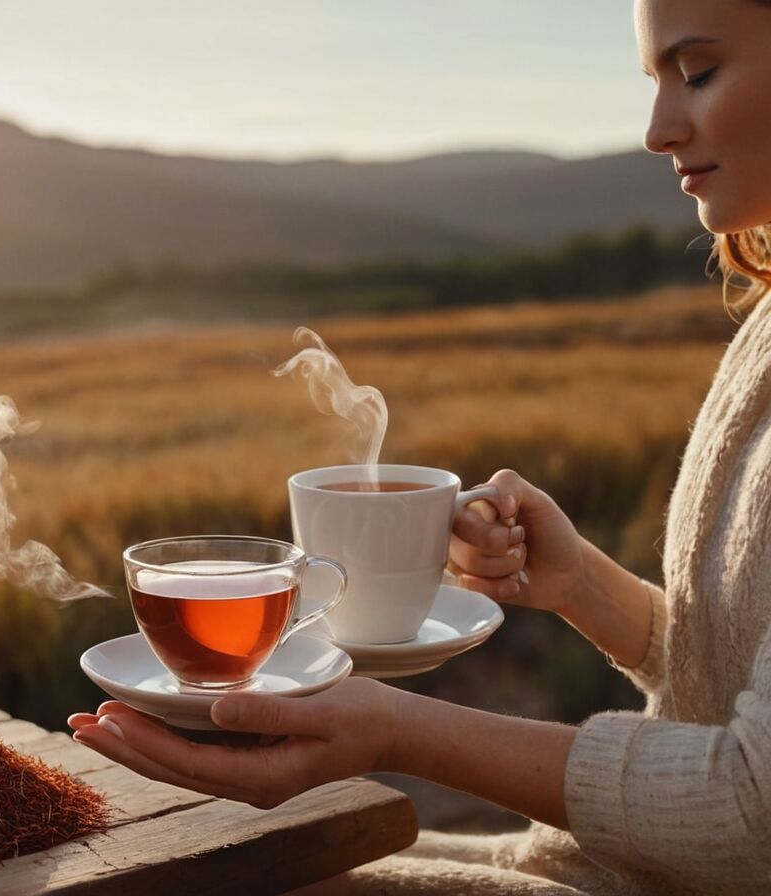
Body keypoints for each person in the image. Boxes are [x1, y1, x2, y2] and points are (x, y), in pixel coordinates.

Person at [68, 0, 771, 892]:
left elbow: (756, 815)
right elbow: (737, 690)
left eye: (699, 71)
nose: (656, 129)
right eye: (654, 79)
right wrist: (587, 589)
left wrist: (400, 731)